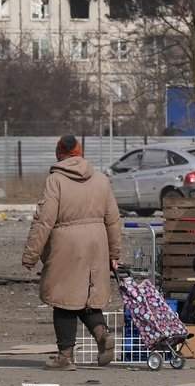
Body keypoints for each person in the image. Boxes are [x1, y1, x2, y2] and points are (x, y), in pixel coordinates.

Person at [21, 136, 123, 371]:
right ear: (80, 153)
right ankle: (101, 334)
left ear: (59, 154)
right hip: (97, 243)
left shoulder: (55, 181)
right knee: (87, 296)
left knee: (64, 300)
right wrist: (113, 252)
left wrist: (31, 254)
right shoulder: (101, 180)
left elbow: (43, 220)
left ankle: (65, 357)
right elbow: (113, 219)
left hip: (66, 244)